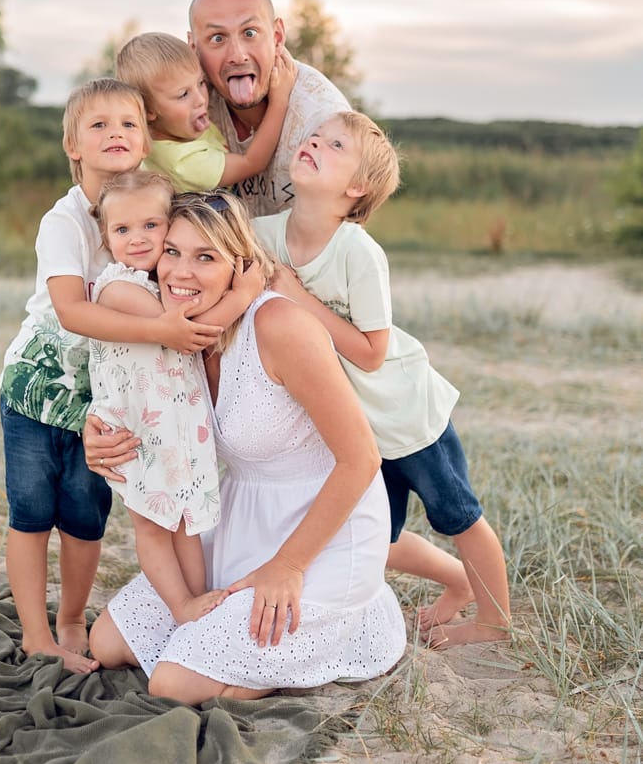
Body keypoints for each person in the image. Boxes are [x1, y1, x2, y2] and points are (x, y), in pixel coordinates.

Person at [86, 192, 407, 704]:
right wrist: (96, 433)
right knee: (107, 642)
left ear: (240, 265)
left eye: (205, 257)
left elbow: (363, 458)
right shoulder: (176, 333)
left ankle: (351, 616)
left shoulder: (279, 327)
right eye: (171, 252)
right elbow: (129, 393)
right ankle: (244, 648)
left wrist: (290, 566)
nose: (179, 272)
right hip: (239, 522)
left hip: (320, 535)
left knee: (172, 684)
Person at [257, 110, 511, 648]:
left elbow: (373, 353)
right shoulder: (265, 235)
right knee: (376, 537)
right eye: (314, 137)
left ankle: (494, 621)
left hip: (403, 412)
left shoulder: (358, 253)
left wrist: (298, 299)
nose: (315, 144)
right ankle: (457, 582)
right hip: (356, 429)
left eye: (335, 145)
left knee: (459, 515)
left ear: (356, 187)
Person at [0, 78, 224, 675]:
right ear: (72, 145)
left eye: (127, 123)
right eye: (97, 126)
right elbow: (73, 311)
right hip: (39, 390)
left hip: (109, 403)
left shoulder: (158, 208)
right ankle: (35, 634)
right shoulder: (66, 220)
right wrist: (164, 331)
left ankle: (72, 620)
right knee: (31, 511)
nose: (115, 134)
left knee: (84, 515)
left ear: (147, 138)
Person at [88, 169, 262, 625]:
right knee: (151, 522)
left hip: (176, 426)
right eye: (123, 229)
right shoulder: (118, 288)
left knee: (186, 519)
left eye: (151, 226)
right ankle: (181, 605)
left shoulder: (154, 283)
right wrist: (243, 294)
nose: (139, 238)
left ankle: (197, 600)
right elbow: (186, 335)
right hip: (136, 430)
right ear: (105, 238)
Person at [187, 0, 352, 215]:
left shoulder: (323, 120)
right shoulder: (180, 105)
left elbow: (342, 231)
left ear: (277, 36)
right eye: (217, 38)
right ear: (193, 47)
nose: (238, 55)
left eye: (250, 33)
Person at [115, 31, 297, 192]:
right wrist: (279, 100)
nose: (201, 99)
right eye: (183, 94)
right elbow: (252, 163)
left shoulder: (175, 123)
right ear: (148, 111)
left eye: (201, 82)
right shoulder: (183, 163)